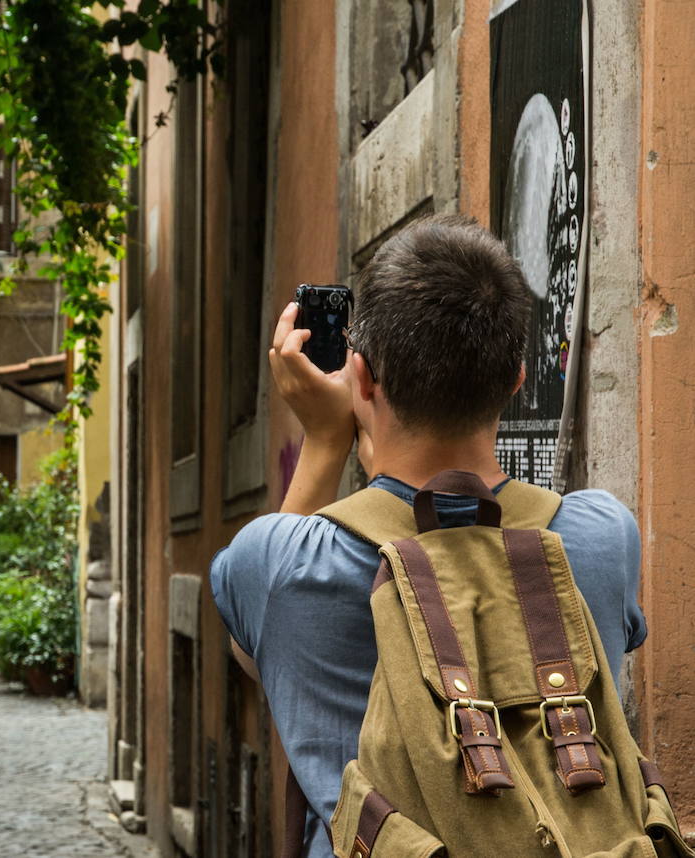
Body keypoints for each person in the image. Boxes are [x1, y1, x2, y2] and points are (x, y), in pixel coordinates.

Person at [208, 214, 646, 858]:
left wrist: (328, 440)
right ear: (516, 381)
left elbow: (254, 659)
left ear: (361, 378)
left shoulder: (278, 562)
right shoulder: (601, 537)